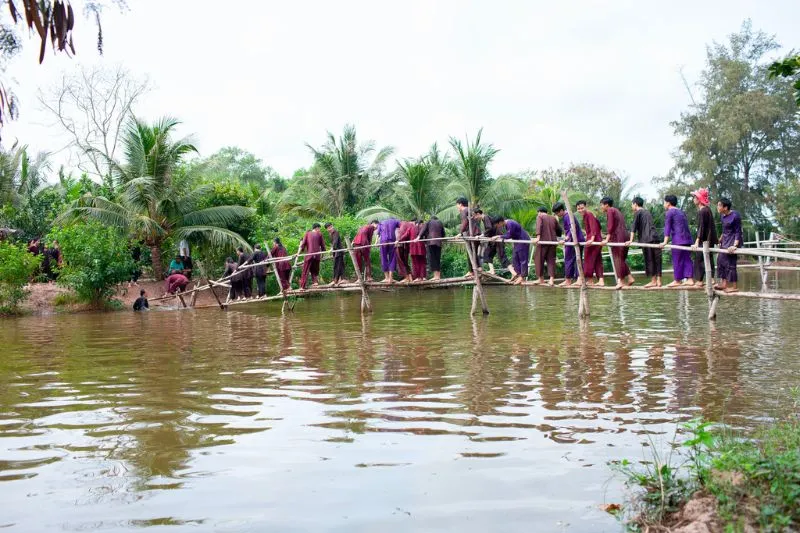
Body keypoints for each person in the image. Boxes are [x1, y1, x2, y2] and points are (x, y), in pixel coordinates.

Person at [600, 197, 635, 289]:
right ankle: (628, 278)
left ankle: (620, 281)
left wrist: (607, 239)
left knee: (617, 258)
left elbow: (610, 226)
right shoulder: (617, 211)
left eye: (601, 205)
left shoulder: (610, 210)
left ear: (606, 205)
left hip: (618, 237)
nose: (601, 207)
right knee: (621, 259)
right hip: (624, 235)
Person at [628, 196, 663, 288]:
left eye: (632, 204)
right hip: (655, 237)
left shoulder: (638, 212)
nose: (632, 206)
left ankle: (653, 281)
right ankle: (659, 281)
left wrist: (631, 240)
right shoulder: (647, 212)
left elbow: (633, 228)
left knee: (649, 259)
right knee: (657, 259)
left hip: (647, 239)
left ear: (635, 204)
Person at [660, 194, 694, 286]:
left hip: (678, 240)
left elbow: (667, 227)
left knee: (677, 259)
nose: (664, 204)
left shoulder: (670, 212)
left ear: (668, 203)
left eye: (664, 202)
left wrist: (665, 242)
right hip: (687, 239)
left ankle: (677, 280)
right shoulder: (681, 212)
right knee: (687, 259)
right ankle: (690, 279)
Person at [691, 188, 718, 287]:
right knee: (707, 258)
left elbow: (701, 227)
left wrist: (697, 241)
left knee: (699, 259)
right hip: (708, 239)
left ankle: (700, 281)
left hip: (704, 240)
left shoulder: (703, 211)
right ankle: (710, 279)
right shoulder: (707, 210)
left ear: (699, 199)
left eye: (695, 197)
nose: (693, 199)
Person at [553, 202, 585, 286]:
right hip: (574, 240)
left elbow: (572, 229)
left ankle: (575, 279)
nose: (557, 215)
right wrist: (566, 238)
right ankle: (570, 279)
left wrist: (566, 239)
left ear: (561, 210)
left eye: (557, 213)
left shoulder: (567, 216)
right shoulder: (567, 216)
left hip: (574, 240)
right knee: (573, 259)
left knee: (571, 259)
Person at [715, 197, 742, 293]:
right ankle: (724, 284)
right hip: (725, 241)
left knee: (730, 263)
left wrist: (735, 245)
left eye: (719, 205)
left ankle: (734, 287)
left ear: (725, 207)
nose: (717, 207)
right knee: (720, 261)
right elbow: (724, 230)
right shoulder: (722, 216)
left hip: (733, 241)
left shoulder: (735, 216)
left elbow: (738, 231)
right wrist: (720, 239)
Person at [493, 217, 530, 285]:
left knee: (522, 259)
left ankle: (522, 276)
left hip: (523, 240)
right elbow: (512, 235)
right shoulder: (507, 225)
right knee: (515, 258)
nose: (498, 227)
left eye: (497, 225)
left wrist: (498, 236)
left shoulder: (510, 223)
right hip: (517, 241)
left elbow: (508, 235)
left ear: (500, 222)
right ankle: (518, 275)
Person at [576, 200, 604, 286]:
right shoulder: (587, 215)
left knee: (588, 258)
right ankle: (601, 280)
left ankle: (589, 279)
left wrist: (592, 239)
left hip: (593, 240)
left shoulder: (588, 214)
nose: (580, 210)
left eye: (582, 208)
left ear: (586, 207)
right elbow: (598, 226)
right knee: (597, 260)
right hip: (596, 239)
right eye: (578, 209)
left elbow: (593, 227)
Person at [474, 210, 509, 275]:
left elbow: (489, 228)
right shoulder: (484, 219)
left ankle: (514, 273)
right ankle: (492, 271)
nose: (475, 218)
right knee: (487, 254)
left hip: (497, 239)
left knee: (502, 256)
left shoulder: (486, 217)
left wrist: (481, 235)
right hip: (493, 240)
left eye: (475, 216)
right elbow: (490, 229)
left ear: (478, 214)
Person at [533, 207, 560, 285]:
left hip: (543, 241)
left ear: (539, 212)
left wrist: (538, 237)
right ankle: (551, 279)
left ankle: (541, 278)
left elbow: (539, 226)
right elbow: (559, 230)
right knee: (551, 260)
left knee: (538, 259)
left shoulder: (540, 216)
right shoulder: (553, 218)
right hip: (552, 242)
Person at [456, 197, 480, 276]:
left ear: (460, 204)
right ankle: (476, 268)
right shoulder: (471, 210)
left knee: (470, 252)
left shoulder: (464, 211)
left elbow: (465, 222)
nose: (457, 207)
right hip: (476, 233)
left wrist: (460, 232)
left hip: (472, 234)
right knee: (473, 252)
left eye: (457, 205)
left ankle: (472, 271)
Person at [299, 223, 326, 289]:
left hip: (309, 255)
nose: (319, 230)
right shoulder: (319, 234)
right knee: (315, 270)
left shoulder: (307, 233)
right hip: (317, 255)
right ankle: (315, 283)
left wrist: (300, 252)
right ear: (316, 228)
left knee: (305, 270)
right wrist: (323, 253)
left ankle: (302, 286)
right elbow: (323, 245)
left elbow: (303, 244)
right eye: (319, 228)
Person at [418, 215, 445, 280]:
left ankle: (436, 276)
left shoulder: (429, 222)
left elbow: (423, 230)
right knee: (437, 259)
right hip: (438, 243)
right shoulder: (440, 222)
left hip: (431, 243)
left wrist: (419, 238)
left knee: (432, 259)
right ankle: (438, 276)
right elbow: (443, 233)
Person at [377, 217, 400, 283]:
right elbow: (400, 229)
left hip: (383, 242)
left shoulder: (381, 222)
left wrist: (376, 242)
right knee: (392, 258)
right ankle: (391, 278)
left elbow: (378, 234)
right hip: (392, 241)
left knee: (383, 258)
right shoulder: (395, 221)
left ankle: (386, 278)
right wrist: (398, 240)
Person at [395, 219, 414, 283]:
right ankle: (410, 278)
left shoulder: (403, 224)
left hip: (400, 244)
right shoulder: (409, 224)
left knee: (400, 261)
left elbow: (401, 234)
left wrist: (398, 240)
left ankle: (406, 278)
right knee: (405, 262)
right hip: (406, 245)